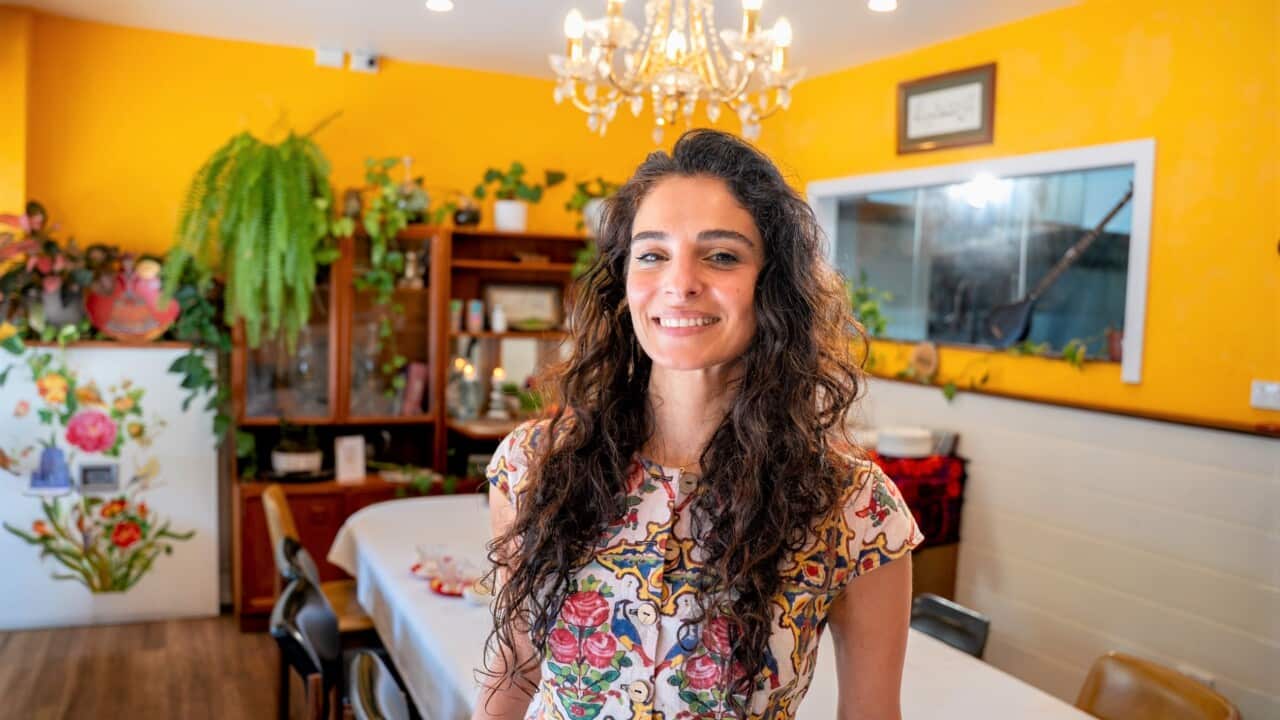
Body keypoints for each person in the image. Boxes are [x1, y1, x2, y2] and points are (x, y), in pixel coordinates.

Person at [475, 129, 923, 720]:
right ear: (623, 282)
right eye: (653, 254)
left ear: (774, 285)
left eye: (721, 255)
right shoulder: (533, 465)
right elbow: (514, 670)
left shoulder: (856, 509)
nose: (680, 282)